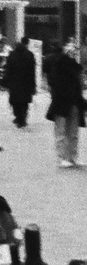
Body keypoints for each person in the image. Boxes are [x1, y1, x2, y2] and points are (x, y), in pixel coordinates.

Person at [48, 39, 84, 169]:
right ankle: (63, 157)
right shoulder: (60, 67)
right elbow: (55, 85)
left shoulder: (75, 68)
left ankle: (71, 157)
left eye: (75, 51)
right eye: (72, 51)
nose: (74, 53)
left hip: (72, 102)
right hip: (62, 102)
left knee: (72, 132)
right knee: (63, 131)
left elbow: (78, 87)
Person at [5, 35, 39, 129]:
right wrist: (33, 85)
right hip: (26, 82)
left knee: (15, 101)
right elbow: (32, 71)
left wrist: (7, 81)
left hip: (14, 82)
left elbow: (8, 69)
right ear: (27, 43)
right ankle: (23, 118)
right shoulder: (29, 55)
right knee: (24, 101)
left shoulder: (12, 54)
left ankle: (18, 116)